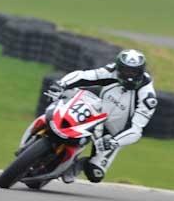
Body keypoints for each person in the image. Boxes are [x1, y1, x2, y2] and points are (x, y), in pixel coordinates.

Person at [47, 49, 157, 184]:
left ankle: (76, 164)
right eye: (125, 70)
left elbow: (136, 130)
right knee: (62, 119)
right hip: (95, 114)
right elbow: (84, 76)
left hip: (113, 133)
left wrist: (114, 142)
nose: (129, 75)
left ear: (141, 71)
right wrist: (61, 84)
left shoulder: (148, 97)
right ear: (118, 68)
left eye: (134, 71)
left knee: (95, 174)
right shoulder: (111, 71)